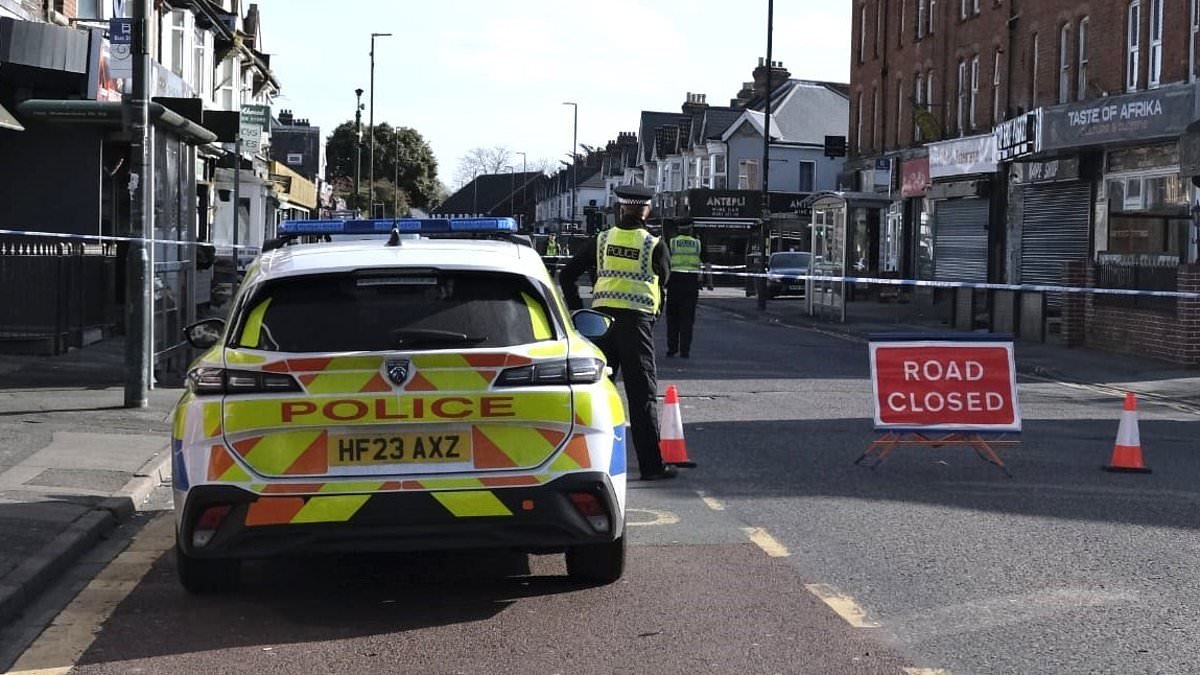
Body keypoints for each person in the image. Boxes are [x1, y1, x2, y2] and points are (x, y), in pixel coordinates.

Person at [559, 185, 676, 481]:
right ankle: (650, 467)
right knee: (642, 396)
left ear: (620, 209)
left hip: (600, 326)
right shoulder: (654, 244)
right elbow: (664, 284)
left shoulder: (600, 241)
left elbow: (566, 274)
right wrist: (654, 317)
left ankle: (587, 463)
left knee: (595, 394)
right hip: (636, 328)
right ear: (646, 211)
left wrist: (577, 312)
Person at [665, 224, 702, 358]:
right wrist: (709, 282)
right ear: (691, 230)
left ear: (678, 230)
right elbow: (705, 263)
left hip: (674, 283)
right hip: (691, 284)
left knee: (672, 318)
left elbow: (666, 262)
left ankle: (672, 348)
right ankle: (685, 350)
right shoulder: (697, 244)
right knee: (687, 319)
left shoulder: (672, 242)